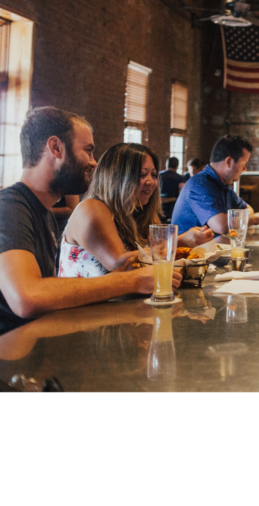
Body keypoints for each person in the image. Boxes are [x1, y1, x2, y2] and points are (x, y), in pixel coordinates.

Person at [0, 107, 178, 336]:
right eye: (88, 151)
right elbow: (27, 297)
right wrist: (132, 281)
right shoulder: (10, 207)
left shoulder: (43, 214)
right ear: (56, 148)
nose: (94, 163)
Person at [60, 142, 214, 279]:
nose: (151, 182)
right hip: (87, 303)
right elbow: (120, 265)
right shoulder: (91, 208)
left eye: (154, 175)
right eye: (142, 174)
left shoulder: (139, 212)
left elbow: (156, 261)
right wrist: (179, 241)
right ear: (116, 177)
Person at [172, 135, 259, 236]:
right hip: (192, 246)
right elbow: (221, 225)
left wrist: (237, 219)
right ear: (229, 162)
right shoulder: (199, 184)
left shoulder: (223, 184)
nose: (245, 169)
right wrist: (253, 219)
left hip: (213, 245)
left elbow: (248, 209)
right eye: (243, 163)